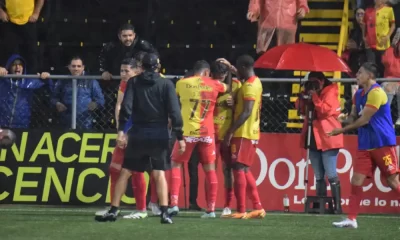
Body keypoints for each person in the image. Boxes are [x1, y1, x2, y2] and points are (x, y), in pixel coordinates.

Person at [95, 53, 183, 224]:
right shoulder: (166, 84)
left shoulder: (134, 82)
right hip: (159, 134)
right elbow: (175, 112)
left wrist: (122, 131)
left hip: (138, 133)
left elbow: (125, 108)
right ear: (158, 66)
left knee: (126, 172)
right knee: (159, 173)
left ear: (141, 66)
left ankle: (114, 210)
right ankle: (165, 213)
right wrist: (180, 136)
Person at [329, 62, 400, 228]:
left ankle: (351, 218)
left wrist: (342, 130)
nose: (357, 75)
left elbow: (364, 119)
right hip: (365, 144)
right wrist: (340, 118)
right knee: (356, 180)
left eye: (360, 73)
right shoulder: (358, 94)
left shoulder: (377, 93)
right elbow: (354, 117)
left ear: (370, 76)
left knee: (392, 181)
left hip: (382, 142)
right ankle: (351, 219)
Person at [168, 60, 230, 218]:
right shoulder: (215, 84)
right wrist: (229, 69)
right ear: (208, 72)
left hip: (188, 132)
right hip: (207, 134)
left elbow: (173, 102)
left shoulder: (182, 83)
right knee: (210, 170)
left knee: (176, 164)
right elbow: (227, 87)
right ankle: (211, 209)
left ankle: (174, 204)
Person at [95, 58, 152, 218]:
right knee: (114, 169)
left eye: (127, 71)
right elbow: (119, 105)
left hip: (137, 133)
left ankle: (142, 209)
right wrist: (120, 130)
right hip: (125, 131)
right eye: (121, 71)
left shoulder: (142, 86)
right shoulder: (124, 84)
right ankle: (114, 207)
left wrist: (128, 132)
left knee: (137, 171)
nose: (123, 74)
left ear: (137, 71)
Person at [223, 55, 266, 219]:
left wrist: (230, 131)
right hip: (252, 132)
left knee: (238, 168)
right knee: (245, 169)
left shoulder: (248, 86)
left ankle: (241, 210)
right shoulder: (256, 82)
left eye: (237, 69)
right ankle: (258, 207)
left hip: (243, 133)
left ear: (242, 68)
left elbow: (246, 112)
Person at [295, 72, 344, 214]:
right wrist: (304, 95)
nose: (313, 85)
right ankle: (320, 205)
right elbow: (300, 109)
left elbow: (324, 111)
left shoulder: (331, 91)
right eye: (310, 82)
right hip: (312, 136)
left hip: (328, 136)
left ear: (322, 81)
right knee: (318, 175)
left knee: (331, 173)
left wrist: (315, 96)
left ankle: (337, 207)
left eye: (315, 82)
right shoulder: (309, 92)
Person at [209, 60, 241, 216]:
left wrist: (234, 104)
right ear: (212, 74)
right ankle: (211, 206)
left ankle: (228, 205)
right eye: (218, 76)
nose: (220, 78)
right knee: (210, 171)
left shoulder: (236, 85)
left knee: (228, 170)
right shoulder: (207, 85)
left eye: (224, 75)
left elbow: (246, 107)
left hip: (228, 135)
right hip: (210, 135)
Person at [51, 57, 105, 129]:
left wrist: (95, 104)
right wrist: (57, 103)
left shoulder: (91, 81)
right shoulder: (62, 81)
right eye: (73, 66)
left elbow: (101, 100)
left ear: (83, 67)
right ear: (69, 67)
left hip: (86, 122)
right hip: (66, 121)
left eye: (79, 66)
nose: (76, 69)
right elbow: (53, 98)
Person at [0, 54, 51, 128]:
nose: (17, 67)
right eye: (14, 64)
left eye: (20, 64)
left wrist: (47, 78)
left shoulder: (29, 81)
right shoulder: (3, 81)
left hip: (22, 125)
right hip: (2, 125)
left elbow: (50, 89)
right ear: (9, 67)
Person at [0, 0, 45, 74]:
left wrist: (36, 13)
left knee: (31, 52)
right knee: (8, 52)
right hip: (9, 20)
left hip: (29, 21)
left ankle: (31, 80)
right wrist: (1, 11)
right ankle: (7, 81)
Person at [362, 0, 396, 76]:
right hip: (370, 43)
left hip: (383, 43)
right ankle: (373, 84)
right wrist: (363, 36)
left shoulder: (389, 10)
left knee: (384, 64)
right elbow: (364, 24)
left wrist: (388, 36)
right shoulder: (368, 11)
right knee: (371, 66)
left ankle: (384, 83)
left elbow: (393, 25)